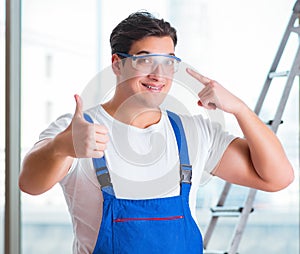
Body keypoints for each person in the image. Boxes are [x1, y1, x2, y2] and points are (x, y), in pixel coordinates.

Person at [19, 11, 294, 254]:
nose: (159, 74)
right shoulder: (77, 129)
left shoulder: (193, 132)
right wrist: (62, 147)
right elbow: (29, 184)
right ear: (117, 64)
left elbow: (277, 178)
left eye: (168, 61)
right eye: (145, 60)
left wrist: (241, 110)